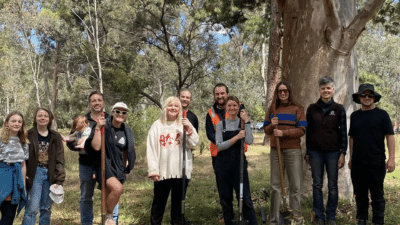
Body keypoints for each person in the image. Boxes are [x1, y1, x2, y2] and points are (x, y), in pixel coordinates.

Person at [66, 91, 119, 225]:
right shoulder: (82, 120)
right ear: (89, 103)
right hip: (86, 164)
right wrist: (78, 145)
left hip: (107, 165)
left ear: (103, 103)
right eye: (93, 100)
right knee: (86, 197)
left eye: (99, 100)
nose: (96, 103)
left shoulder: (111, 118)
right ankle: (86, 223)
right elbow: (71, 140)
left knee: (111, 193)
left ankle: (112, 221)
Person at [348, 83, 396, 225]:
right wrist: (351, 158)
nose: (367, 97)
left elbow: (390, 137)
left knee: (377, 194)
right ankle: (361, 219)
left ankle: (378, 220)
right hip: (358, 163)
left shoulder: (382, 115)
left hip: (376, 161)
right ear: (359, 97)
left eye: (370, 95)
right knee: (360, 194)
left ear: (374, 98)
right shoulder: (355, 116)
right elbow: (352, 138)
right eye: (363, 95)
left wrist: (391, 159)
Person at [147, 96, 199, 225]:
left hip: (181, 171)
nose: (173, 108)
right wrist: (153, 169)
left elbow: (194, 143)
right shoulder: (157, 125)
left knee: (178, 205)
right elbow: (151, 148)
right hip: (162, 171)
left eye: (176, 106)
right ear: (165, 108)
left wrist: (188, 130)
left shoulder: (184, 123)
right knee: (159, 203)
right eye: (170, 105)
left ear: (180, 109)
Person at [305, 77, 347, 225]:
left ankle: (331, 216)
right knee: (317, 185)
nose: (326, 91)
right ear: (319, 90)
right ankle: (319, 216)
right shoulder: (311, 108)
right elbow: (308, 132)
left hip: (333, 152)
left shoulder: (339, 109)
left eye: (328, 88)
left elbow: (343, 133)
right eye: (323, 88)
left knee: (332, 185)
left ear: (333, 90)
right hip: (315, 152)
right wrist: (307, 152)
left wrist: (343, 152)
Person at [263, 81, 307, 225]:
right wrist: (272, 124)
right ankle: (275, 220)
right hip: (276, 151)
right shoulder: (272, 108)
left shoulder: (298, 109)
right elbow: (266, 130)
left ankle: (296, 218)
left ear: (289, 93)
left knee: (295, 185)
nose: (283, 93)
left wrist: (284, 133)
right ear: (277, 93)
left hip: (293, 151)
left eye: (285, 91)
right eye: (280, 91)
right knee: (275, 186)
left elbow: (302, 130)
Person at [89, 102, 136, 225]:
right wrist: (98, 128)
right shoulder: (104, 126)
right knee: (117, 189)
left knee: (110, 197)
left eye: (124, 112)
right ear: (112, 112)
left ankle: (108, 219)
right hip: (104, 165)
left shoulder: (127, 131)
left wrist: (126, 165)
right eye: (117, 111)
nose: (120, 114)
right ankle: (109, 216)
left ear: (126, 115)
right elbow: (96, 146)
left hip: (118, 167)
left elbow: (127, 150)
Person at [214, 96, 257, 225]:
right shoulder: (221, 124)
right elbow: (219, 145)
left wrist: (247, 121)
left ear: (239, 107)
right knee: (225, 199)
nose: (232, 108)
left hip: (239, 165)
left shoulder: (243, 123)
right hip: (223, 165)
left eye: (235, 106)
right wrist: (237, 137)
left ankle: (251, 222)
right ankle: (229, 222)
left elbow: (249, 140)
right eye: (230, 105)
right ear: (226, 108)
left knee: (244, 198)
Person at [22, 107, 66, 224]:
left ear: (50, 118)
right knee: (31, 209)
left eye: (45, 116)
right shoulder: (28, 134)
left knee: (46, 208)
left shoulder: (55, 136)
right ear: (35, 118)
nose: (43, 118)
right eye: (40, 115)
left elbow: (60, 159)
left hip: (50, 174)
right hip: (34, 174)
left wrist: (59, 179)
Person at [0, 111, 29, 225]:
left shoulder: (24, 141)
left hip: (15, 180)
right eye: (13, 121)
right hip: (2, 177)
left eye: (19, 121)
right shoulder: (1, 139)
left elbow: (22, 165)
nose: (16, 123)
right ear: (7, 123)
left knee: (9, 216)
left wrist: (23, 187)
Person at [205, 83, 230, 170]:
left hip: (235, 153)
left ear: (227, 94)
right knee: (221, 182)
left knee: (236, 182)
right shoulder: (210, 113)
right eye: (217, 94)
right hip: (218, 154)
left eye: (222, 93)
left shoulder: (236, 108)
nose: (220, 96)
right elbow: (209, 133)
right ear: (214, 96)